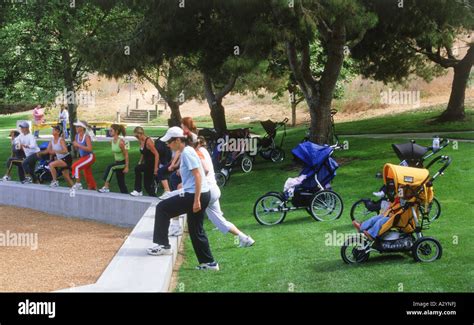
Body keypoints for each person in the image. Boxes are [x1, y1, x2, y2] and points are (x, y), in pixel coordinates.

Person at [148, 127, 218, 271]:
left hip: (195, 195)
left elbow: (198, 175)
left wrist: (196, 200)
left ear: (178, 140)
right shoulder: (188, 150)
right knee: (195, 229)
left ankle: (164, 246)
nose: (168, 145)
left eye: (169, 142)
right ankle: (209, 263)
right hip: (200, 194)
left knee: (162, 208)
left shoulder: (187, 153)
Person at [196, 136, 255, 247]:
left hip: (208, 191)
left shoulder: (198, 153)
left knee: (221, 223)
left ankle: (245, 239)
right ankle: (241, 239)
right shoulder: (204, 151)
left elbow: (205, 171)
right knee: (221, 221)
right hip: (213, 189)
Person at [98, 124, 129, 194]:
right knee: (120, 182)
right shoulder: (112, 141)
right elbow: (115, 153)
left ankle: (106, 187)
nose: (109, 131)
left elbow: (126, 155)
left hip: (123, 163)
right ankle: (125, 194)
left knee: (110, 167)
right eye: (109, 130)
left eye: (111, 130)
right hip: (117, 163)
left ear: (116, 131)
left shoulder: (121, 142)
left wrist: (126, 167)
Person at [130, 126, 159, 197]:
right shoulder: (141, 141)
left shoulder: (148, 141)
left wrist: (156, 168)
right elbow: (143, 153)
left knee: (137, 168)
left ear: (141, 133)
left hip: (151, 164)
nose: (136, 138)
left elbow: (157, 154)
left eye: (137, 136)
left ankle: (138, 190)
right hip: (147, 164)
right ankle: (154, 198)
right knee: (147, 186)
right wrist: (140, 162)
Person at [71, 121, 97, 190]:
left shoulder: (86, 137)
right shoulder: (76, 136)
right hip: (84, 157)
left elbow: (89, 149)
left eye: (78, 126)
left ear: (82, 128)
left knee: (75, 166)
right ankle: (92, 187)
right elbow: (77, 148)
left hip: (90, 157)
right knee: (87, 173)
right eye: (76, 126)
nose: (76, 128)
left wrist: (78, 145)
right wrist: (75, 146)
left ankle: (78, 184)